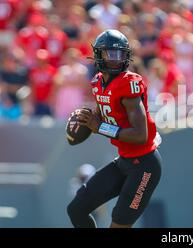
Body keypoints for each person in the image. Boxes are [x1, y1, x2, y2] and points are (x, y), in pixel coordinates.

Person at [67, 29, 162, 228]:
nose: (115, 59)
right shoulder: (97, 83)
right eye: (110, 54)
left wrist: (99, 127)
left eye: (119, 54)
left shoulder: (129, 83)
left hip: (145, 165)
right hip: (125, 161)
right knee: (76, 208)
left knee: (118, 224)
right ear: (98, 55)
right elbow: (104, 111)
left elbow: (140, 134)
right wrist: (88, 119)